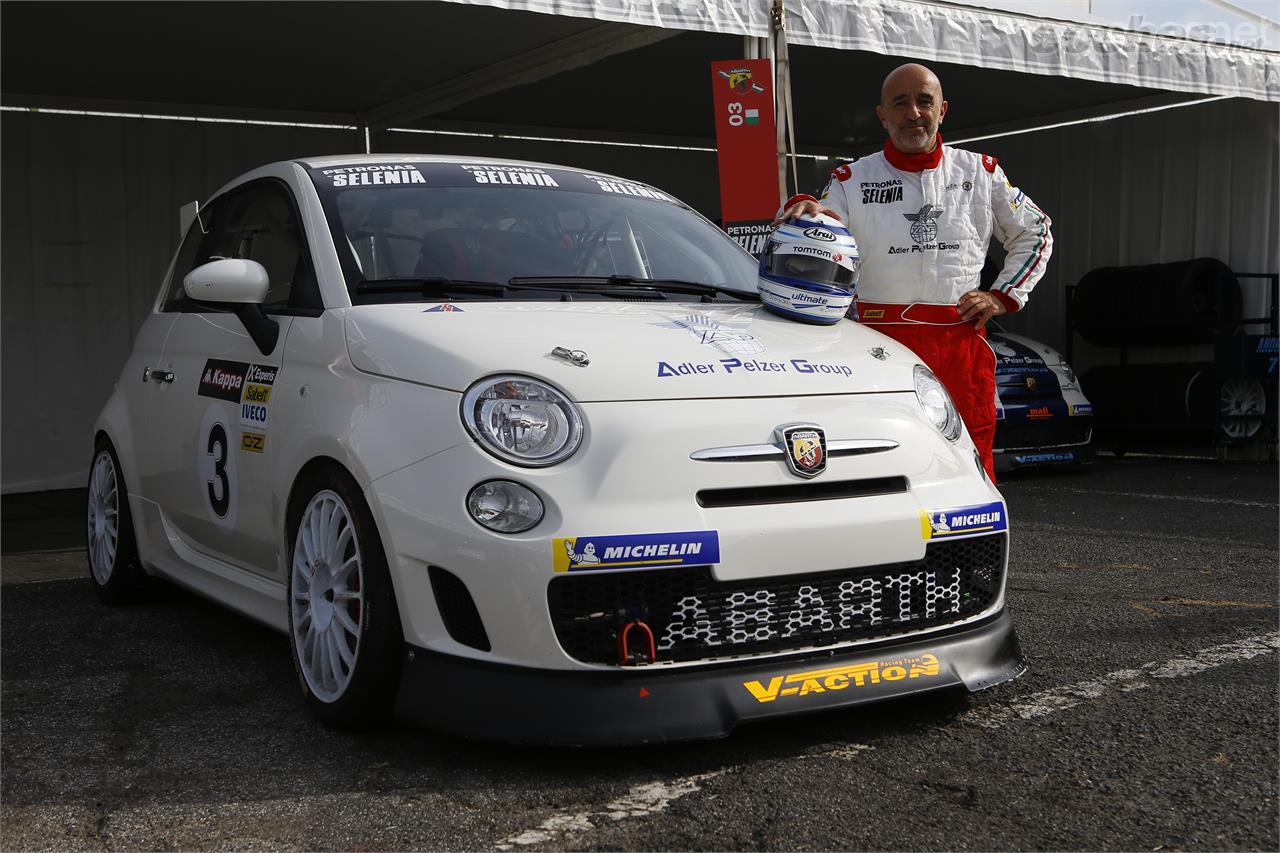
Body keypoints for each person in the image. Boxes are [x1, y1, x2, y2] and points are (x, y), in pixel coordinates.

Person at [775, 63, 1052, 481]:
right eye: (900, 103)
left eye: (925, 101)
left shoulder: (981, 172)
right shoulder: (852, 179)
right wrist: (805, 211)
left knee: (969, 464)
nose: (913, 113)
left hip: (961, 344)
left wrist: (1002, 295)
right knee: (881, 459)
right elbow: (821, 229)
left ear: (943, 109)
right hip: (878, 347)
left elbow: (1036, 231)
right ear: (882, 115)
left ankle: (968, 544)